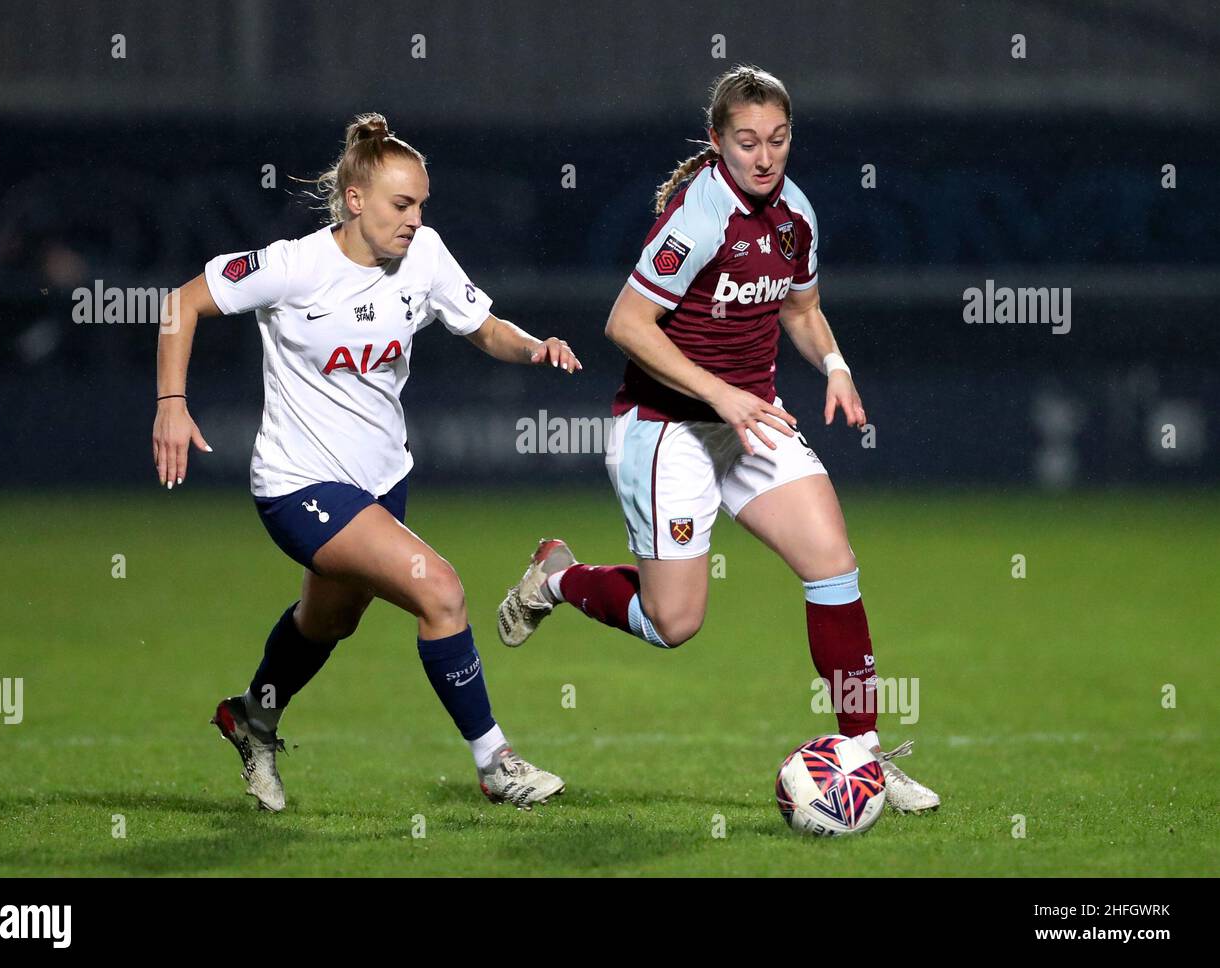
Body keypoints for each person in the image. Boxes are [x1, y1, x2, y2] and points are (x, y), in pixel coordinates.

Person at [496, 66, 939, 812]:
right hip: (667, 426)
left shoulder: (795, 213)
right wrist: (723, 395)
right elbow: (625, 326)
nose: (764, 158)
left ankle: (861, 755)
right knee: (675, 623)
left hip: (746, 419)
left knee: (832, 562)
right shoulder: (698, 217)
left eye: (777, 139)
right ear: (716, 142)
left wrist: (833, 364)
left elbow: (801, 309)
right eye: (746, 143)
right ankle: (560, 578)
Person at [153, 113, 580, 811]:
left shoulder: (427, 256)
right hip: (298, 487)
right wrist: (172, 402)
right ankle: (495, 762)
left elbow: (484, 327)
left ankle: (253, 716)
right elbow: (181, 305)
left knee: (327, 624)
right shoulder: (294, 266)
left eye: (421, 205)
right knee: (440, 590)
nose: (415, 219)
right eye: (401, 204)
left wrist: (533, 346)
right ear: (356, 201)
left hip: (382, 482)